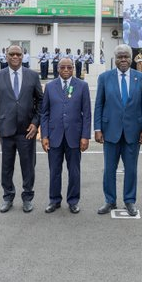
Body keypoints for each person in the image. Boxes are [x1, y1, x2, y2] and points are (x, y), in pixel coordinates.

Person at [94, 44, 142, 217]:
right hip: (110, 130)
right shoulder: (104, 78)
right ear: (115, 59)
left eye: (126, 56)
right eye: (120, 57)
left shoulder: (141, 78)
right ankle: (109, 200)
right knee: (109, 169)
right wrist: (97, 128)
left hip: (133, 131)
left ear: (131, 58)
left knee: (131, 169)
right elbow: (99, 104)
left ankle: (129, 200)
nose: (123, 60)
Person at [0, 45, 44, 214]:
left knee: (28, 166)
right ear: (6, 56)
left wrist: (36, 123)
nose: (15, 57)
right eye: (12, 54)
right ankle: (8, 196)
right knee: (7, 166)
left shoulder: (33, 76)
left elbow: (41, 102)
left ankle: (27, 198)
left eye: (19, 54)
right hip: (6, 129)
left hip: (27, 130)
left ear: (23, 56)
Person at [40, 58, 91, 214]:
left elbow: (87, 114)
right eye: (63, 67)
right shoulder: (50, 86)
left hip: (74, 137)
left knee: (74, 171)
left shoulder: (82, 86)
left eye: (69, 67)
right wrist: (44, 136)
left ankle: (73, 201)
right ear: (58, 68)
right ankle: (54, 200)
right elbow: (45, 113)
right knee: (54, 171)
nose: (66, 69)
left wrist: (85, 136)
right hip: (54, 136)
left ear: (74, 68)